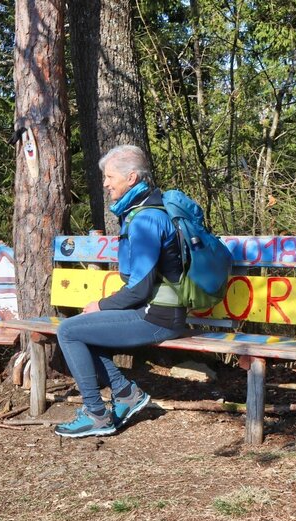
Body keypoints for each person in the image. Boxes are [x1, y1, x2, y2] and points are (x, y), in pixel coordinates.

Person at [54, 145, 187, 438]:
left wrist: (101, 305)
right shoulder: (141, 212)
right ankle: (126, 394)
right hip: (154, 312)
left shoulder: (147, 219)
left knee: (68, 331)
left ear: (132, 177)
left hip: (158, 318)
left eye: (110, 176)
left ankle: (96, 414)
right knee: (82, 329)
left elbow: (140, 289)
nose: (105, 183)